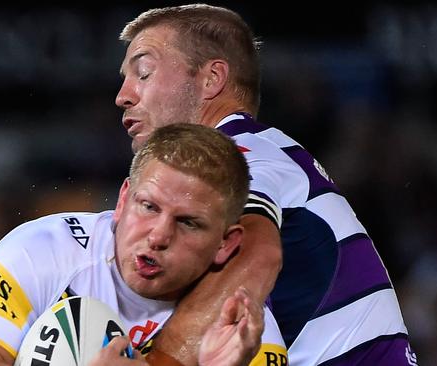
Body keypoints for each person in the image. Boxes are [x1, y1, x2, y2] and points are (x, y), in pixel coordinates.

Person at [116, 4, 415, 365]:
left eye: (144, 73)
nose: (124, 95)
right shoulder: (266, 152)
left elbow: (255, 255)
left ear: (211, 79)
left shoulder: (246, 153)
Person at [0, 124, 288, 365]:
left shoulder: (241, 332)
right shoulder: (43, 250)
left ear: (226, 243)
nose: (159, 236)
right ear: (122, 200)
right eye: (149, 207)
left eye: (188, 223)